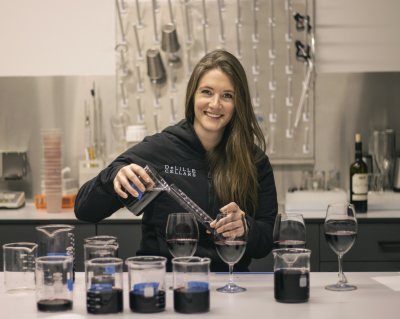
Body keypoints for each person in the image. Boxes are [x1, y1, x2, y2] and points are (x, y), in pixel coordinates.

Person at [74, 50, 278, 272]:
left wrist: (247, 227)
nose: (215, 104)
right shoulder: (159, 149)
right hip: (164, 283)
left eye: (227, 95)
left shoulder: (254, 161)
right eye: (207, 92)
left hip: (229, 284)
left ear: (239, 103)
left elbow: (266, 242)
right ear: (192, 96)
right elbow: (85, 210)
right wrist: (113, 177)